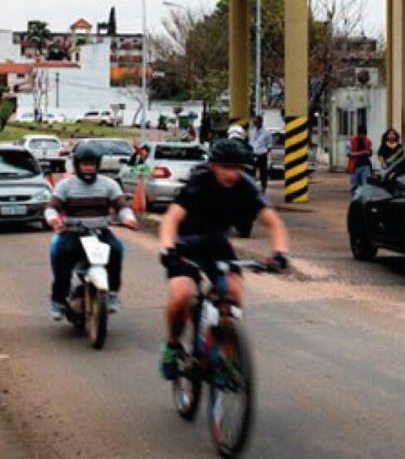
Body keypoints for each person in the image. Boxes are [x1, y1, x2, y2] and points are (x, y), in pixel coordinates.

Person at [158, 138, 289, 378]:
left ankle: (228, 363)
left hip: (217, 244)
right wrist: (168, 249)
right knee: (182, 295)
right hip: (185, 244)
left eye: (236, 167)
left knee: (233, 294)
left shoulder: (247, 187)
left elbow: (273, 222)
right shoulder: (199, 182)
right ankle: (172, 345)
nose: (230, 173)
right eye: (225, 167)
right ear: (213, 166)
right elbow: (172, 218)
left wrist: (279, 253)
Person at [46, 145, 139, 320]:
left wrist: (128, 218)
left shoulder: (109, 184)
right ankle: (58, 300)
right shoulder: (65, 185)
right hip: (72, 232)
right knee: (62, 254)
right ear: (77, 165)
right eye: (85, 164)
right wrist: (53, 220)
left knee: (116, 250)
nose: (89, 168)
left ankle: (112, 293)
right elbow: (52, 208)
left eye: (92, 164)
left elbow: (121, 207)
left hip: (101, 231)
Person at [248, 116, 273, 192]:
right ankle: (252, 187)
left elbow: (269, 144)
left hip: (262, 154)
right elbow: (251, 142)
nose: (255, 123)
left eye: (256, 122)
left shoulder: (266, 132)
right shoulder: (252, 131)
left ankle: (263, 188)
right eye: (254, 122)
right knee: (252, 171)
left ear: (261, 122)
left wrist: (266, 152)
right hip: (253, 154)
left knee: (263, 173)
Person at [346, 124, 373, 193]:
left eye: (364, 135)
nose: (363, 136)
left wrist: (368, 152)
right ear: (358, 134)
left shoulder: (368, 141)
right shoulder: (350, 141)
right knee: (354, 185)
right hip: (354, 166)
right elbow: (349, 153)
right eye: (361, 134)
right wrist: (359, 153)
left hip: (365, 165)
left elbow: (370, 152)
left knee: (366, 184)